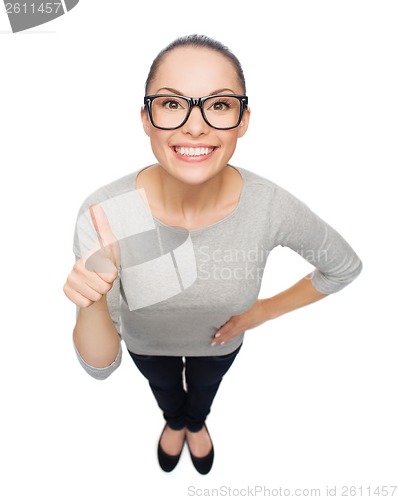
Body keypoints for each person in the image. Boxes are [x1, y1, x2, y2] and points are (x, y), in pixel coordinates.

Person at [63, 34, 363, 475]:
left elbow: (343, 268)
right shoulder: (107, 213)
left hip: (220, 345)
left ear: (243, 120)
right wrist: (89, 302)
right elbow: (101, 368)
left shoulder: (270, 205)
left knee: (204, 391)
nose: (195, 125)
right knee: (165, 391)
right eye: (171, 104)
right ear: (146, 118)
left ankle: (197, 422)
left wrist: (261, 312)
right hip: (147, 346)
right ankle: (173, 421)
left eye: (219, 105)